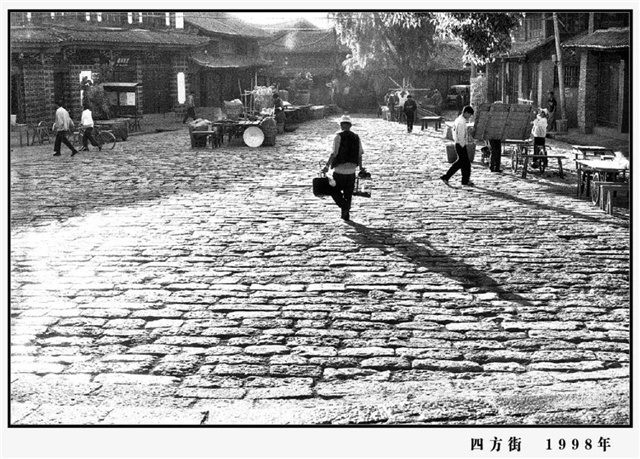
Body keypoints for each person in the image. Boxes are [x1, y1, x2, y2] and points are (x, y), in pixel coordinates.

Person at [321, 114, 364, 221]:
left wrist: (327, 165)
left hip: (339, 170)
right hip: (351, 171)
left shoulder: (338, 137)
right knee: (348, 193)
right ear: (350, 126)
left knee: (333, 190)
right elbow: (360, 154)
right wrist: (361, 167)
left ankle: (344, 207)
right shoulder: (356, 137)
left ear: (341, 125)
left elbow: (334, 153)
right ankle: (346, 213)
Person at [440, 105, 474, 186]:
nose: (469, 117)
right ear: (466, 113)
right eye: (469, 115)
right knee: (461, 163)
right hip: (460, 144)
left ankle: (465, 180)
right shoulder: (461, 122)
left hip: (458, 143)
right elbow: (461, 135)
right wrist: (463, 144)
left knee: (465, 163)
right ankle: (447, 177)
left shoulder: (458, 119)